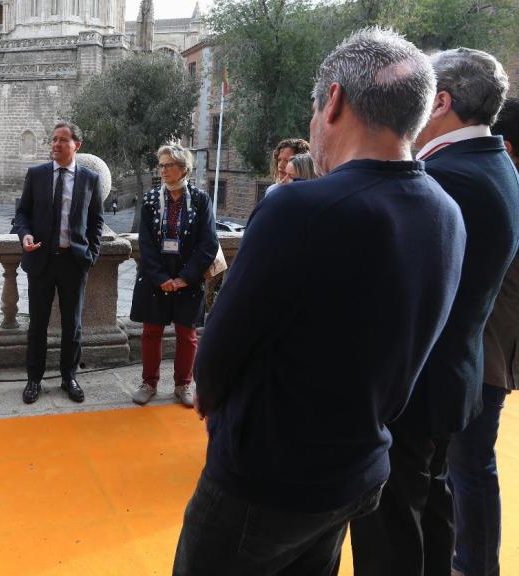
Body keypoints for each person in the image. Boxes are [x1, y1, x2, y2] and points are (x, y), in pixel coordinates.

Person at [174, 28, 466, 575]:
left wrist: (210, 402)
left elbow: (219, 350)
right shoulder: (446, 212)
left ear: (333, 101)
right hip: (359, 471)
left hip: (265, 480)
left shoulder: (300, 209)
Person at [352, 48, 519, 576]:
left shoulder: (448, 177)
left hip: (416, 385)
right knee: (435, 507)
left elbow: (396, 288)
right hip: (452, 376)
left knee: (393, 524)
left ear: (440, 102)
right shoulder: (493, 163)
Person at [445, 97, 519, 576]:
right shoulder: (507, 185)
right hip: (494, 349)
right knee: (470, 468)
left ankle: (475, 566)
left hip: (485, 350)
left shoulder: (500, 188)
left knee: (470, 467)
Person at [12, 121, 104, 405]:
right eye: (53, 140)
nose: (55, 144)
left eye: (62, 140)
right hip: (40, 261)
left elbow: (96, 222)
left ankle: (69, 377)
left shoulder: (89, 179)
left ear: (77, 144)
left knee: (72, 326)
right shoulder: (36, 175)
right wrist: (25, 235)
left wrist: (90, 256)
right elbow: (22, 214)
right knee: (36, 325)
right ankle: (34, 379)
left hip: (73, 263)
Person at [129, 144, 218, 406]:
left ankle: (183, 385)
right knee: (151, 333)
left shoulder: (200, 200)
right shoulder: (150, 199)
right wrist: (161, 278)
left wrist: (185, 278)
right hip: (156, 279)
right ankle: (149, 382)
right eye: (161, 165)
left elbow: (208, 244)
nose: (164, 170)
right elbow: (145, 243)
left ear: (184, 169)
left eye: (169, 165)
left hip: (187, 280)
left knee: (187, 335)